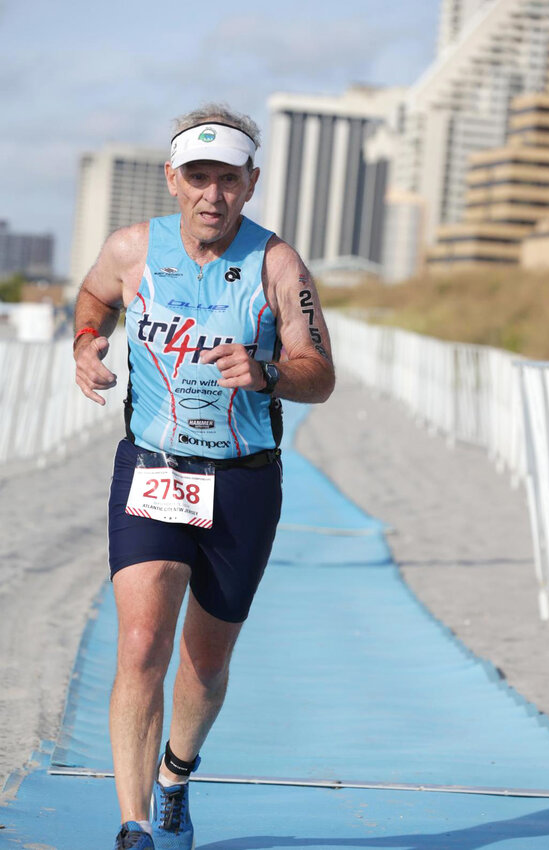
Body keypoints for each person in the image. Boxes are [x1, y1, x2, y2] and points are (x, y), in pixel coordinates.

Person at [73, 103, 335, 850]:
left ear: (250, 184)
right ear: (173, 180)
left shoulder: (277, 265)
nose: (212, 194)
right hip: (152, 470)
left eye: (228, 178)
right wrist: (87, 344)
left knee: (203, 661)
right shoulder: (131, 249)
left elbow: (320, 377)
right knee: (143, 643)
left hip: (243, 481)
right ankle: (132, 827)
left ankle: (175, 778)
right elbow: (94, 299)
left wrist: (269, 371)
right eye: (198, 177)